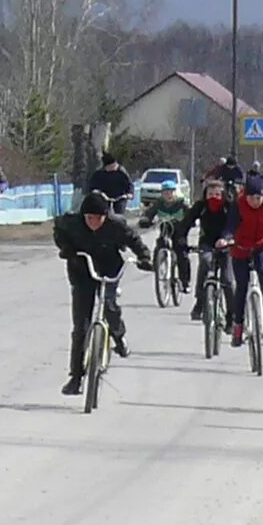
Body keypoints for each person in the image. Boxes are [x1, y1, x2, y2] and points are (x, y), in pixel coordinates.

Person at [52, 191, 152, 389]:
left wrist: (144, 257)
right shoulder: (71, 223)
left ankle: (118, 335)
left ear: (106, 216)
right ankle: (76, 377)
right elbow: (58, 231)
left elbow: (134, 240)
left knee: (108, 303)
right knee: (81, 325)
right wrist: (65, 248)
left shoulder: (116, 225)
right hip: (82, 271)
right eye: (90, 218)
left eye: (99, 218)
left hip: (109, 269)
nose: (94, 222)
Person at [224, 173, 263, 347]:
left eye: (259, 197)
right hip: (241, 248)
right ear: (246, 196)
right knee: (241, 285)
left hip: (262, 246)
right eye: (252, 198)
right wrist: (226, 238)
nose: (256, 201)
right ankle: (238, 325)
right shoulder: (238, 205)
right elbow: (230, 226)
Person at [182, 177, 233, 321]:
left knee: (228, 280)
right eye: (210, 194)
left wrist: (227, 239)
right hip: (207, 243)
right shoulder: (201, 206)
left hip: (226, 244)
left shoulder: (229, 206)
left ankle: (231, 313)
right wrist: (181, 239)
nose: (213, 197)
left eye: (217, 194)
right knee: (205, 263)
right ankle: (199, 303)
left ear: (222, 195)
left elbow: (233, 225)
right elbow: (187, 221)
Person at [86, 151, 136, 215]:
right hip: (104, 198)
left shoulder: (121, 172)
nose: (114, 167)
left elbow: (129, 184)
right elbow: (92, 187)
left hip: (119, 197)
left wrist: (129, 194)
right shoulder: (99, 174)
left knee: (119, 215)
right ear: (106, 167)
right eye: (111, 166)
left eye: (115, 165)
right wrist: (96, 192)